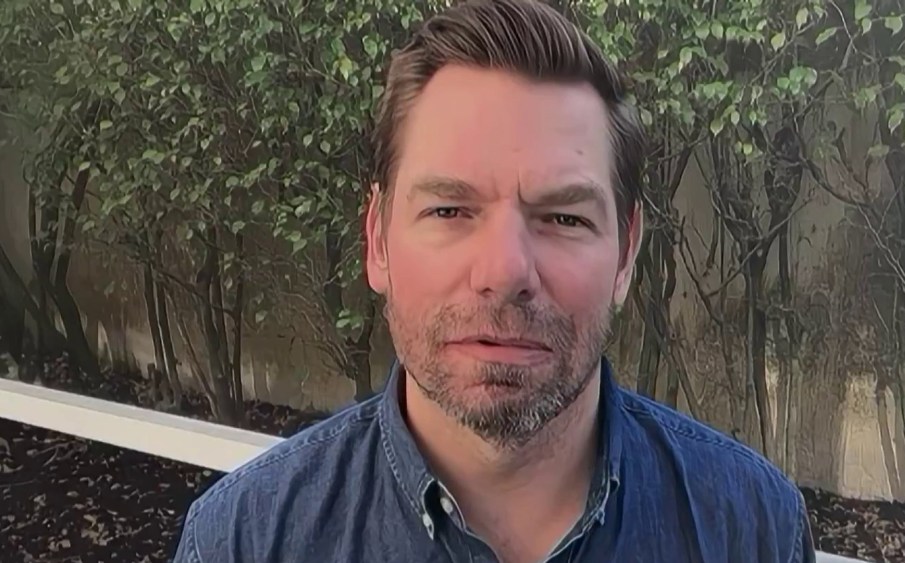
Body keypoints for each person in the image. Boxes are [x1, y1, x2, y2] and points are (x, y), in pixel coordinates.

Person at [172, 1, 817, 561]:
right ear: (377, 241)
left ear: (626, 255)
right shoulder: (241, 542)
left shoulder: (754, 531)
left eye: (564, 217)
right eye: (449, 210)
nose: (506, 272)